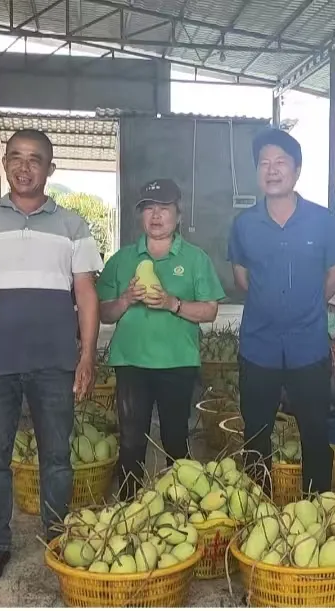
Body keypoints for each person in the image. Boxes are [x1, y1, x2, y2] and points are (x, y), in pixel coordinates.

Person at [0, 128, 103, 584]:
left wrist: (88, 355)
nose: (24, 166)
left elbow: (86, 294)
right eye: (15, 157)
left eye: (35, 159)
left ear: (50, 169)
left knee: (56, 458)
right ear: (4, 163)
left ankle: (56, 540)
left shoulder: (72, 225)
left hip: (55, 362)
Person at [227, 129, 335, 495]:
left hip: (308, 344)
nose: (272, 169)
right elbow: (241, 276)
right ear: (257, 172)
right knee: (257, 433)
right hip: (258, 344)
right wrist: (272, 305)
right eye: (264, 163)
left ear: (296, 170)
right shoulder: (244, 224)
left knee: (314, 431)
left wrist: (309, 301)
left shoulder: (321, 220)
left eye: (280, 162)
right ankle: (258, 510)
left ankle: (316, 509)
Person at [96, 178, 225, 498]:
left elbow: (209, 311)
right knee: (131, 440)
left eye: (164, 209)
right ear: (141, 216)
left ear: (178, 215)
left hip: (177, 362)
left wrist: (173, 303)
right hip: (131, 362)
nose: (156, 216)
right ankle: (129, 506)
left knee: (175, 438)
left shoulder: (196, 259)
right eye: (148, 209)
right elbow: (103, 313)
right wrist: (125, 299)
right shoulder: (121, 259)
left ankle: (178, 504)